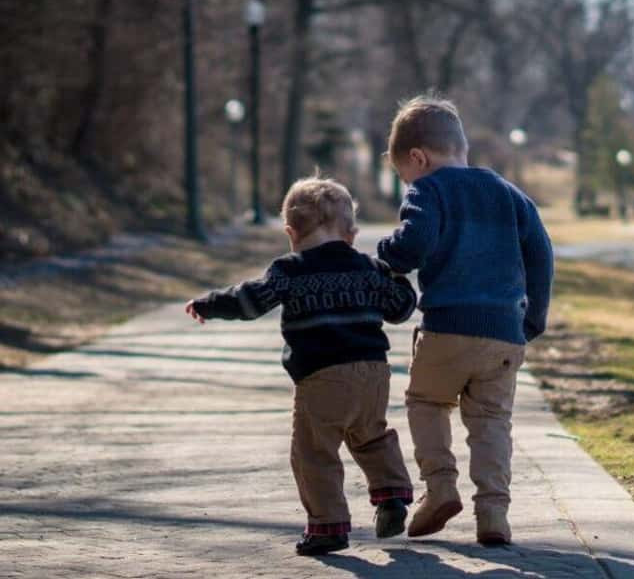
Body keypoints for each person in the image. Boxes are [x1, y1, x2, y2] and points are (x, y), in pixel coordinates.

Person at [185, 176, 418, 556]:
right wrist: (399, 279)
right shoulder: (368, 267)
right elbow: (401, 309)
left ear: (291, 232)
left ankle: (328, 526)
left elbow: (250, 301)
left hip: (322, 376)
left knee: (314, 451)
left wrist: (211, 303)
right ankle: (391, 496)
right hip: (373, 373)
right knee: (371, 435)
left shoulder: (288, 270)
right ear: (351, 234)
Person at [377, 95, 553, 546]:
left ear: (419, 158)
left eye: (404, 176)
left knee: (427, 402)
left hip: (447, 327)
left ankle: (440, 488)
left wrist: (386, 254)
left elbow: (412, 245)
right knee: (492, 420)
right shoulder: (509, 193)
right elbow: (541, 254)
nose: (407, 183)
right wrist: (533, 318)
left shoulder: (428, 190)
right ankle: (493, 514)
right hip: (503, 334)